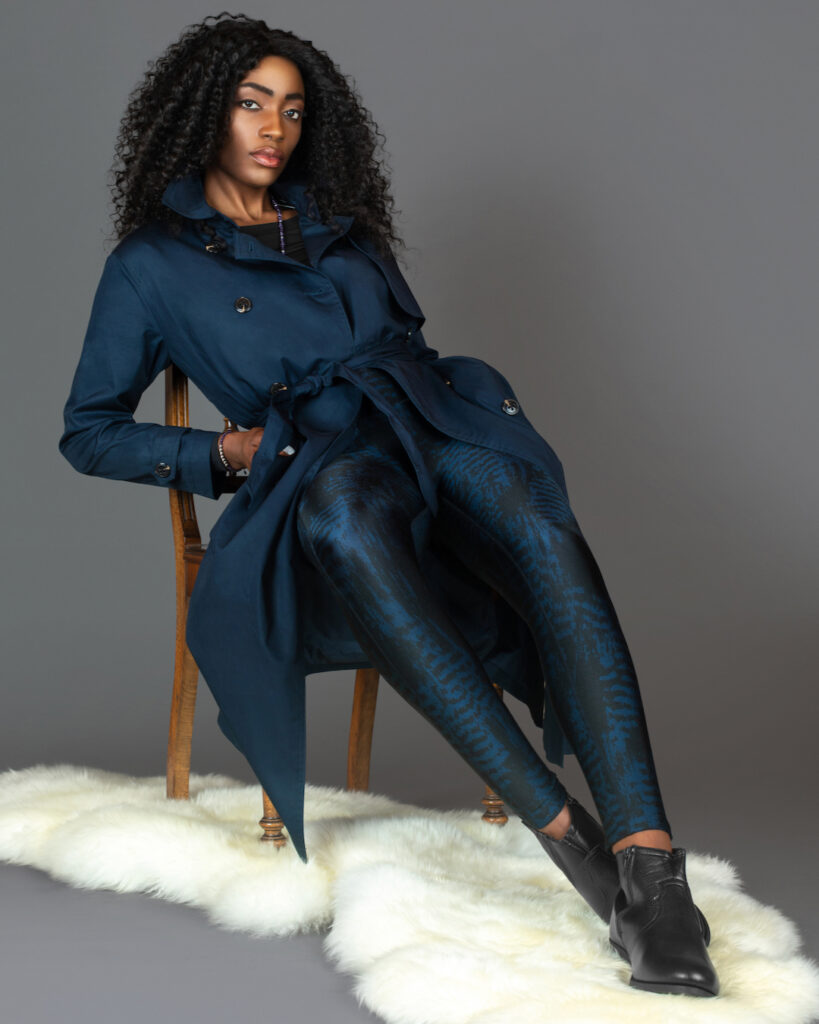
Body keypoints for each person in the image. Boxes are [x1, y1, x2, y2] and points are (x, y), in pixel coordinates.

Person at [58, 13, 718, 997]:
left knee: (537, 522)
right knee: (345, 524)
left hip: (428, 418)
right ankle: (573, 842)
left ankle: (653, 871)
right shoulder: (150, 266)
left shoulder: (340, 222)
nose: (274, 128)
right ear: (201, 115)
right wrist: (223, 451)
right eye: (250, 103)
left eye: (292, 109)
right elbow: (90, 430)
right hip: (321, 460)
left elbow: (401, 348)